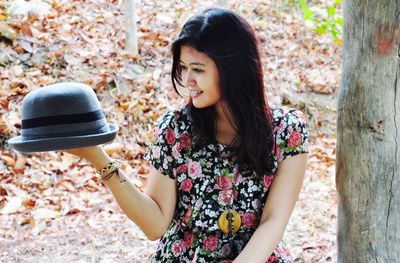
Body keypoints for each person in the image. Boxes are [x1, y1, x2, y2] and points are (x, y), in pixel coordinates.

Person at [64, 7, 309, 263]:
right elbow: (155, 224)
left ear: (233, 69)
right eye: (182, 67)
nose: (187, 80)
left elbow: (273, 222)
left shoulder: (286, 130)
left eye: (198, 69)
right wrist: (99, 159)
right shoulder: (176, 129)